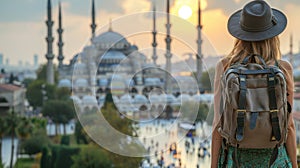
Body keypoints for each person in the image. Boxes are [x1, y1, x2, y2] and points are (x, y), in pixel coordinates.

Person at [211, 0, 297, 167]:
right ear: (273, 36)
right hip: (274, 159)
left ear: (240, 35)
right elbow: (289, 126)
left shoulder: (225, 66)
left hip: (236, 159)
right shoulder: (283, 68)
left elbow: (218, 124)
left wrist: (214, 165)